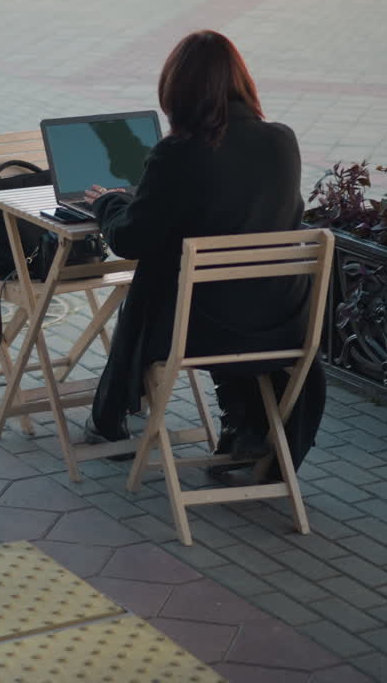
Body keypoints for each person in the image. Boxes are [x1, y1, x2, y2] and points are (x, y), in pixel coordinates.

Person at [83, 30, 325, 471]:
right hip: (278, 322)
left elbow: (130, 240)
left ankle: (111, 417)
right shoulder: (281, 140)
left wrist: (108, 202)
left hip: (199, 329)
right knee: (217, 287)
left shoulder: (178, 152)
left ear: (177, 90)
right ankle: (244, 425)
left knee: (165, 287)